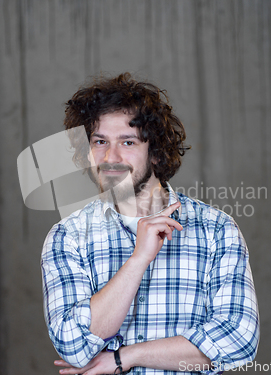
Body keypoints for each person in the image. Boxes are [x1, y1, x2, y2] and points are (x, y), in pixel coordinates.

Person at [41, 73, 259, 375]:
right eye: (100, 142)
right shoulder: (68, 236)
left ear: (154, 152)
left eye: (127, 142)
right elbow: (74, 346)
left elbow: (238, 343)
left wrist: (125, 357)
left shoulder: (216, 230)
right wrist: (139, 259)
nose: (110, 157)